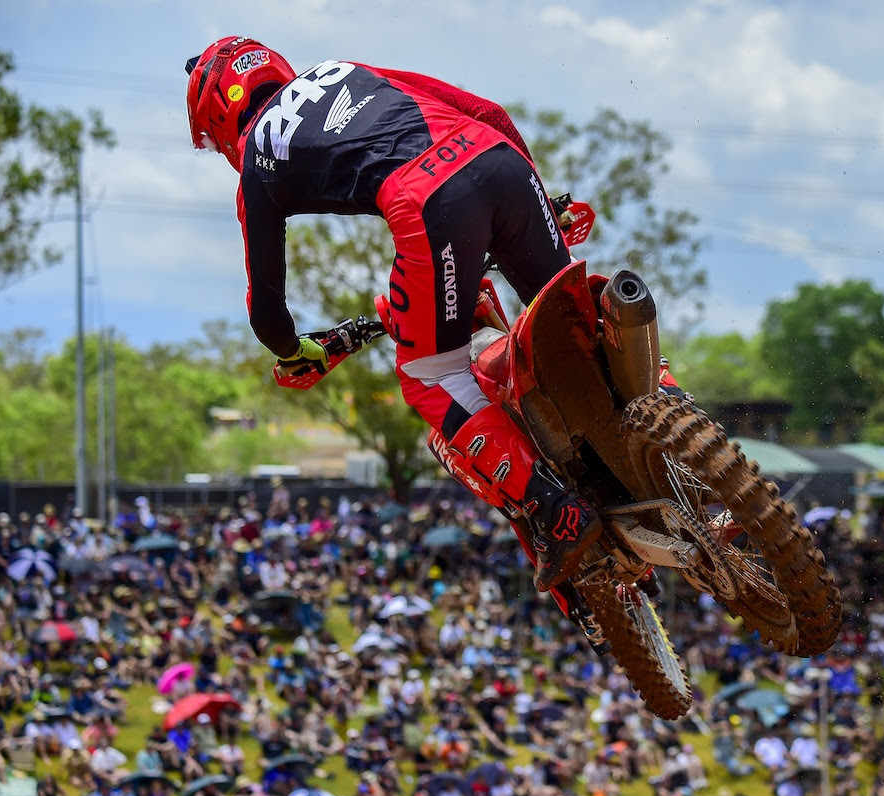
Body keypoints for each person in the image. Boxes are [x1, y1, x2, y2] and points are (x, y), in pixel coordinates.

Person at [184, 36, 600, 593]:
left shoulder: (259, 155)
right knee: (574, 325)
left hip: (430, 201)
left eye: (213, 142)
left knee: (431, 378)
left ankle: (556, 512)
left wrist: (296, 351)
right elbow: (487, 111)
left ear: (220, 115)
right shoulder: (341, 69)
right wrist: (542, 201)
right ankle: (668, 414)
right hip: (499, 158)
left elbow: (266, 312)